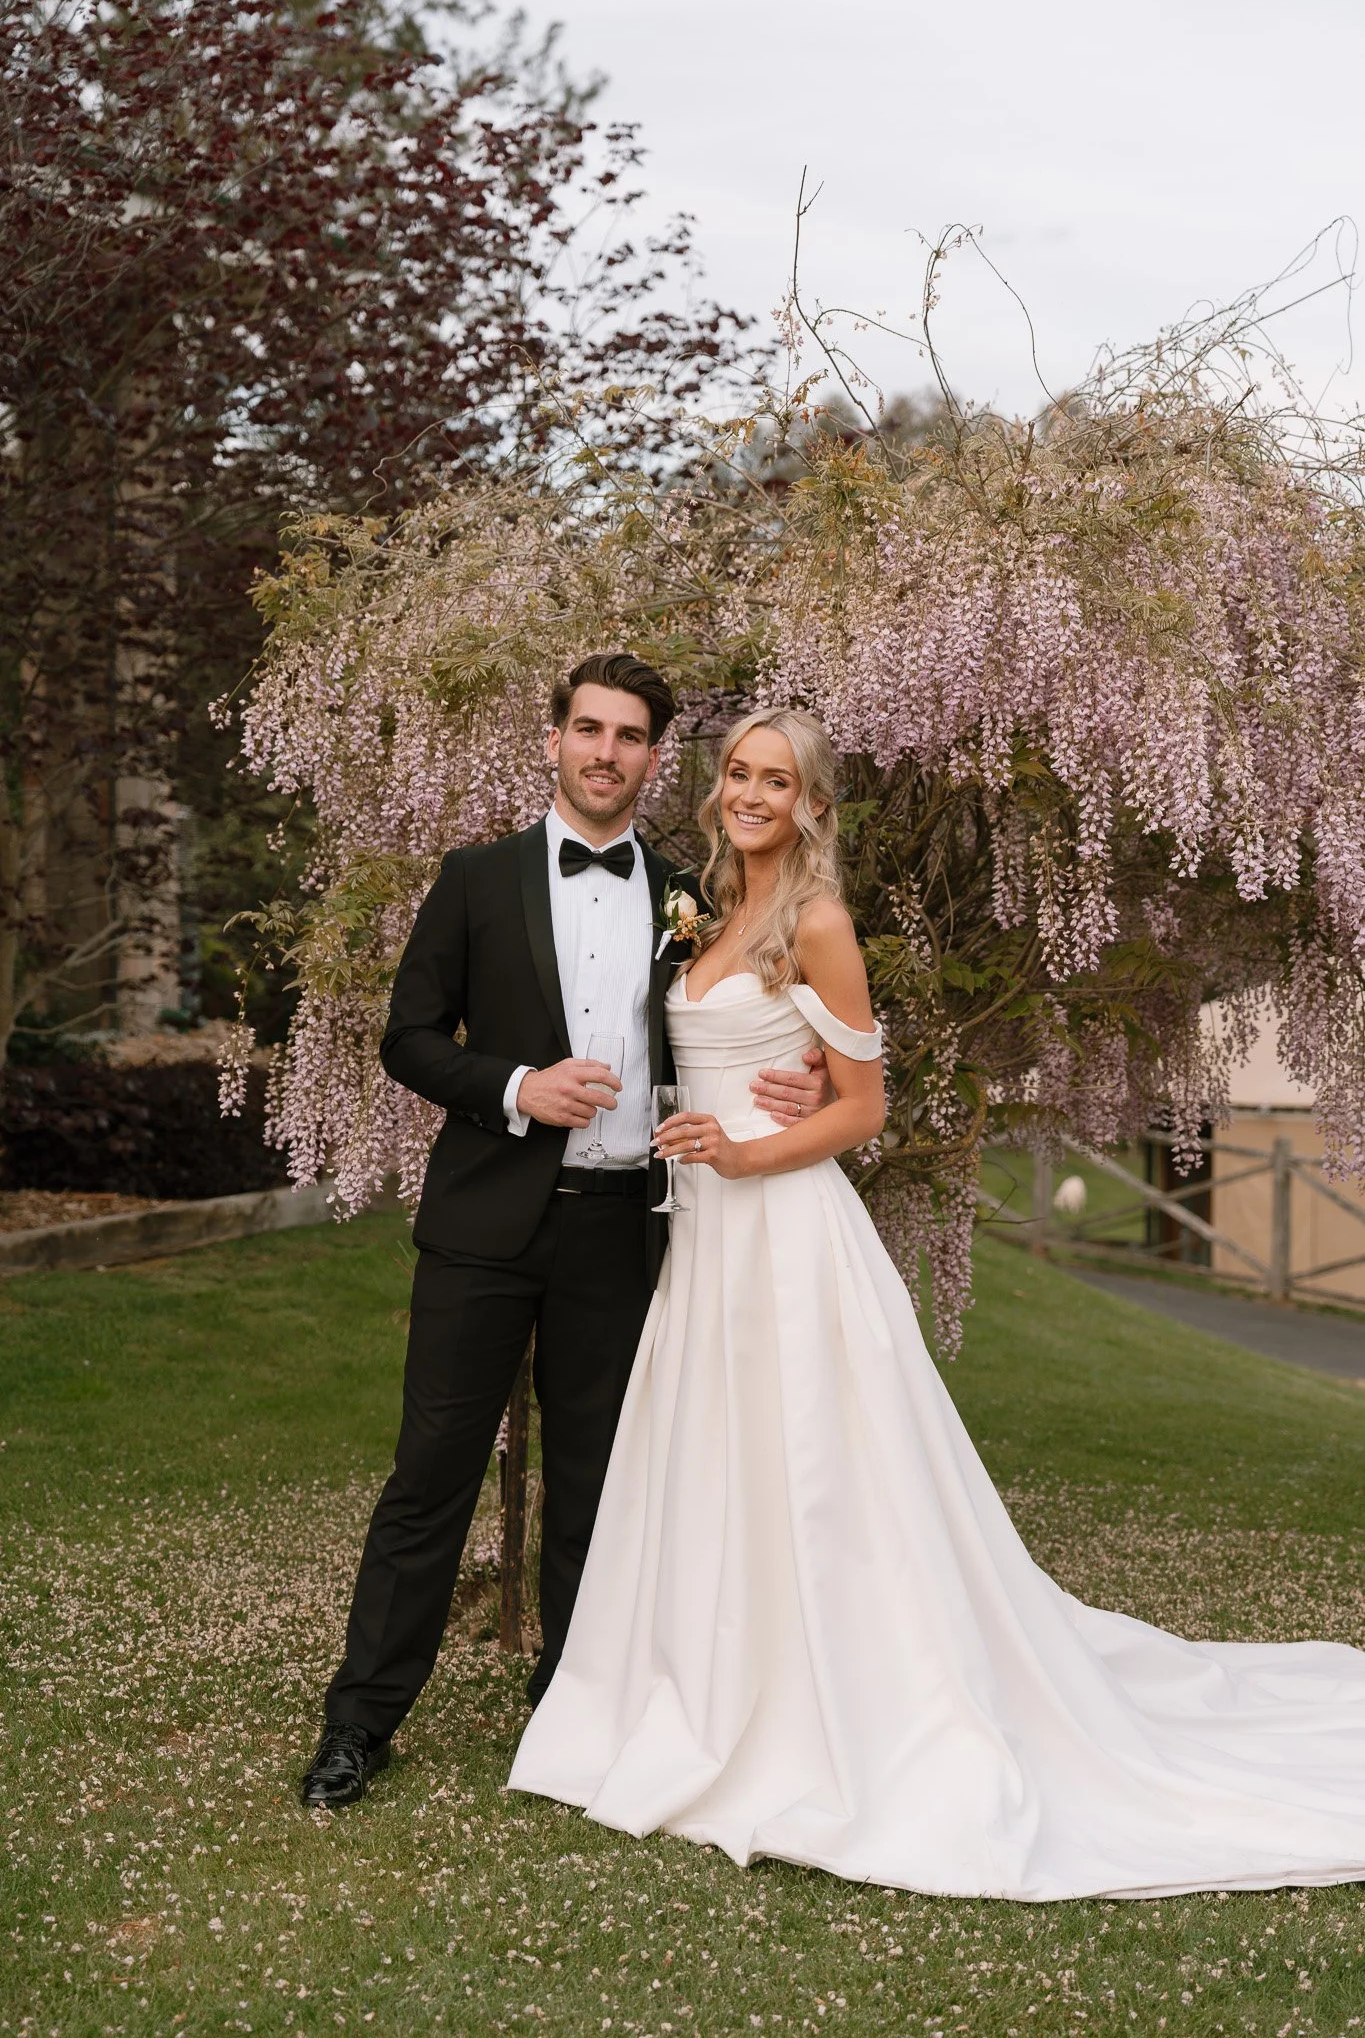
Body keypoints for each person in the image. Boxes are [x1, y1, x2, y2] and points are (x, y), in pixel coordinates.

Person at [509, 703, 1365, 1902]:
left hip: (783, 1229)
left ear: (812, 802)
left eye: (778, 778)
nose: (752, 792)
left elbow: (864, 1107)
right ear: (718, 789)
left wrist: (753, 1149)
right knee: (717, 1455)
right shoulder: (698, 907)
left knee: (816, 1462)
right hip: (701, 1238)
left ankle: (835, 1700)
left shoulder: (818, 917)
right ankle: (711, 1681)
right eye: (739, 773)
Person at [300, 656, 831, 1810]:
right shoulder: (476, 877)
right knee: (431, 1475)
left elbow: (758, 1012)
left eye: (630, 735)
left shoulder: (702, 896)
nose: (605, 751)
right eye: (587, 728)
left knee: (602, 1484)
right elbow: (407, 1035)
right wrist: (514, 1084)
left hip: (626, 1231)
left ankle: (572, 1713)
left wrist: (795, 1083)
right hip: (486, 1222)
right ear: (553, 741)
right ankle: (361, 1721)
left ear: (653, 758)